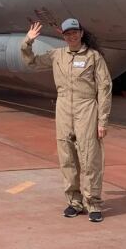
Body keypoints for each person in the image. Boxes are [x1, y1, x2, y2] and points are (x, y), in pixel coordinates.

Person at [21, 18, 112, 222]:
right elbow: (31, 62)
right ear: (63, 36)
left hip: (86, 107)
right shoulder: (57, 55)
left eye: (74, 32)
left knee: (89, 158)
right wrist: (27, 42)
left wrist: (102, 121)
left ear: (81, 33)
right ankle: (74, 202)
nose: (71, 36)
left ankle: (93, 203)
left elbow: (104, 89)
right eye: (67, 33)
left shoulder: (93, 57)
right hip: (63, 109)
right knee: (67, 157)